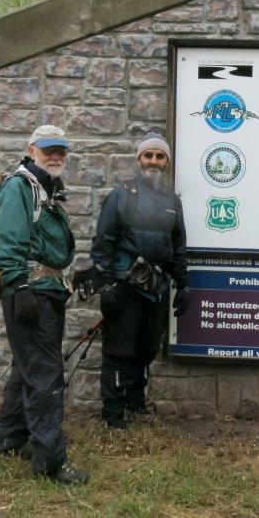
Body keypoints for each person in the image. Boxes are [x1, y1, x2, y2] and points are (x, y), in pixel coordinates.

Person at [0, 125, 89, 486]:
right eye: (49, 149)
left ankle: (7, 440)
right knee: (46, 376)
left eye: (61, 149)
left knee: (27, 368)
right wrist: (19, 287)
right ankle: (50, 461)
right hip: (30, 293)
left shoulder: (44, 188)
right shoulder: (19, 187)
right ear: (31, 149)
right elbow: (8, 239)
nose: (56, 155)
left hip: (45, 290)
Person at [90, 130, 189, 429]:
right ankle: (114, 415)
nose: (154, 161)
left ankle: (135, 404)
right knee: (119, 351)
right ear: (139, 159)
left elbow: (178, 246)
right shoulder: (122, 195)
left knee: (146, 350)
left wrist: (183, 285)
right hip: (125, 286)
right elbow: (102, 243)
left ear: (167, 162)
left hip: (157, 287)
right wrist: (105, 286)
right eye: (149, 155)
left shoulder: (172, 200)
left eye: (160, 156)